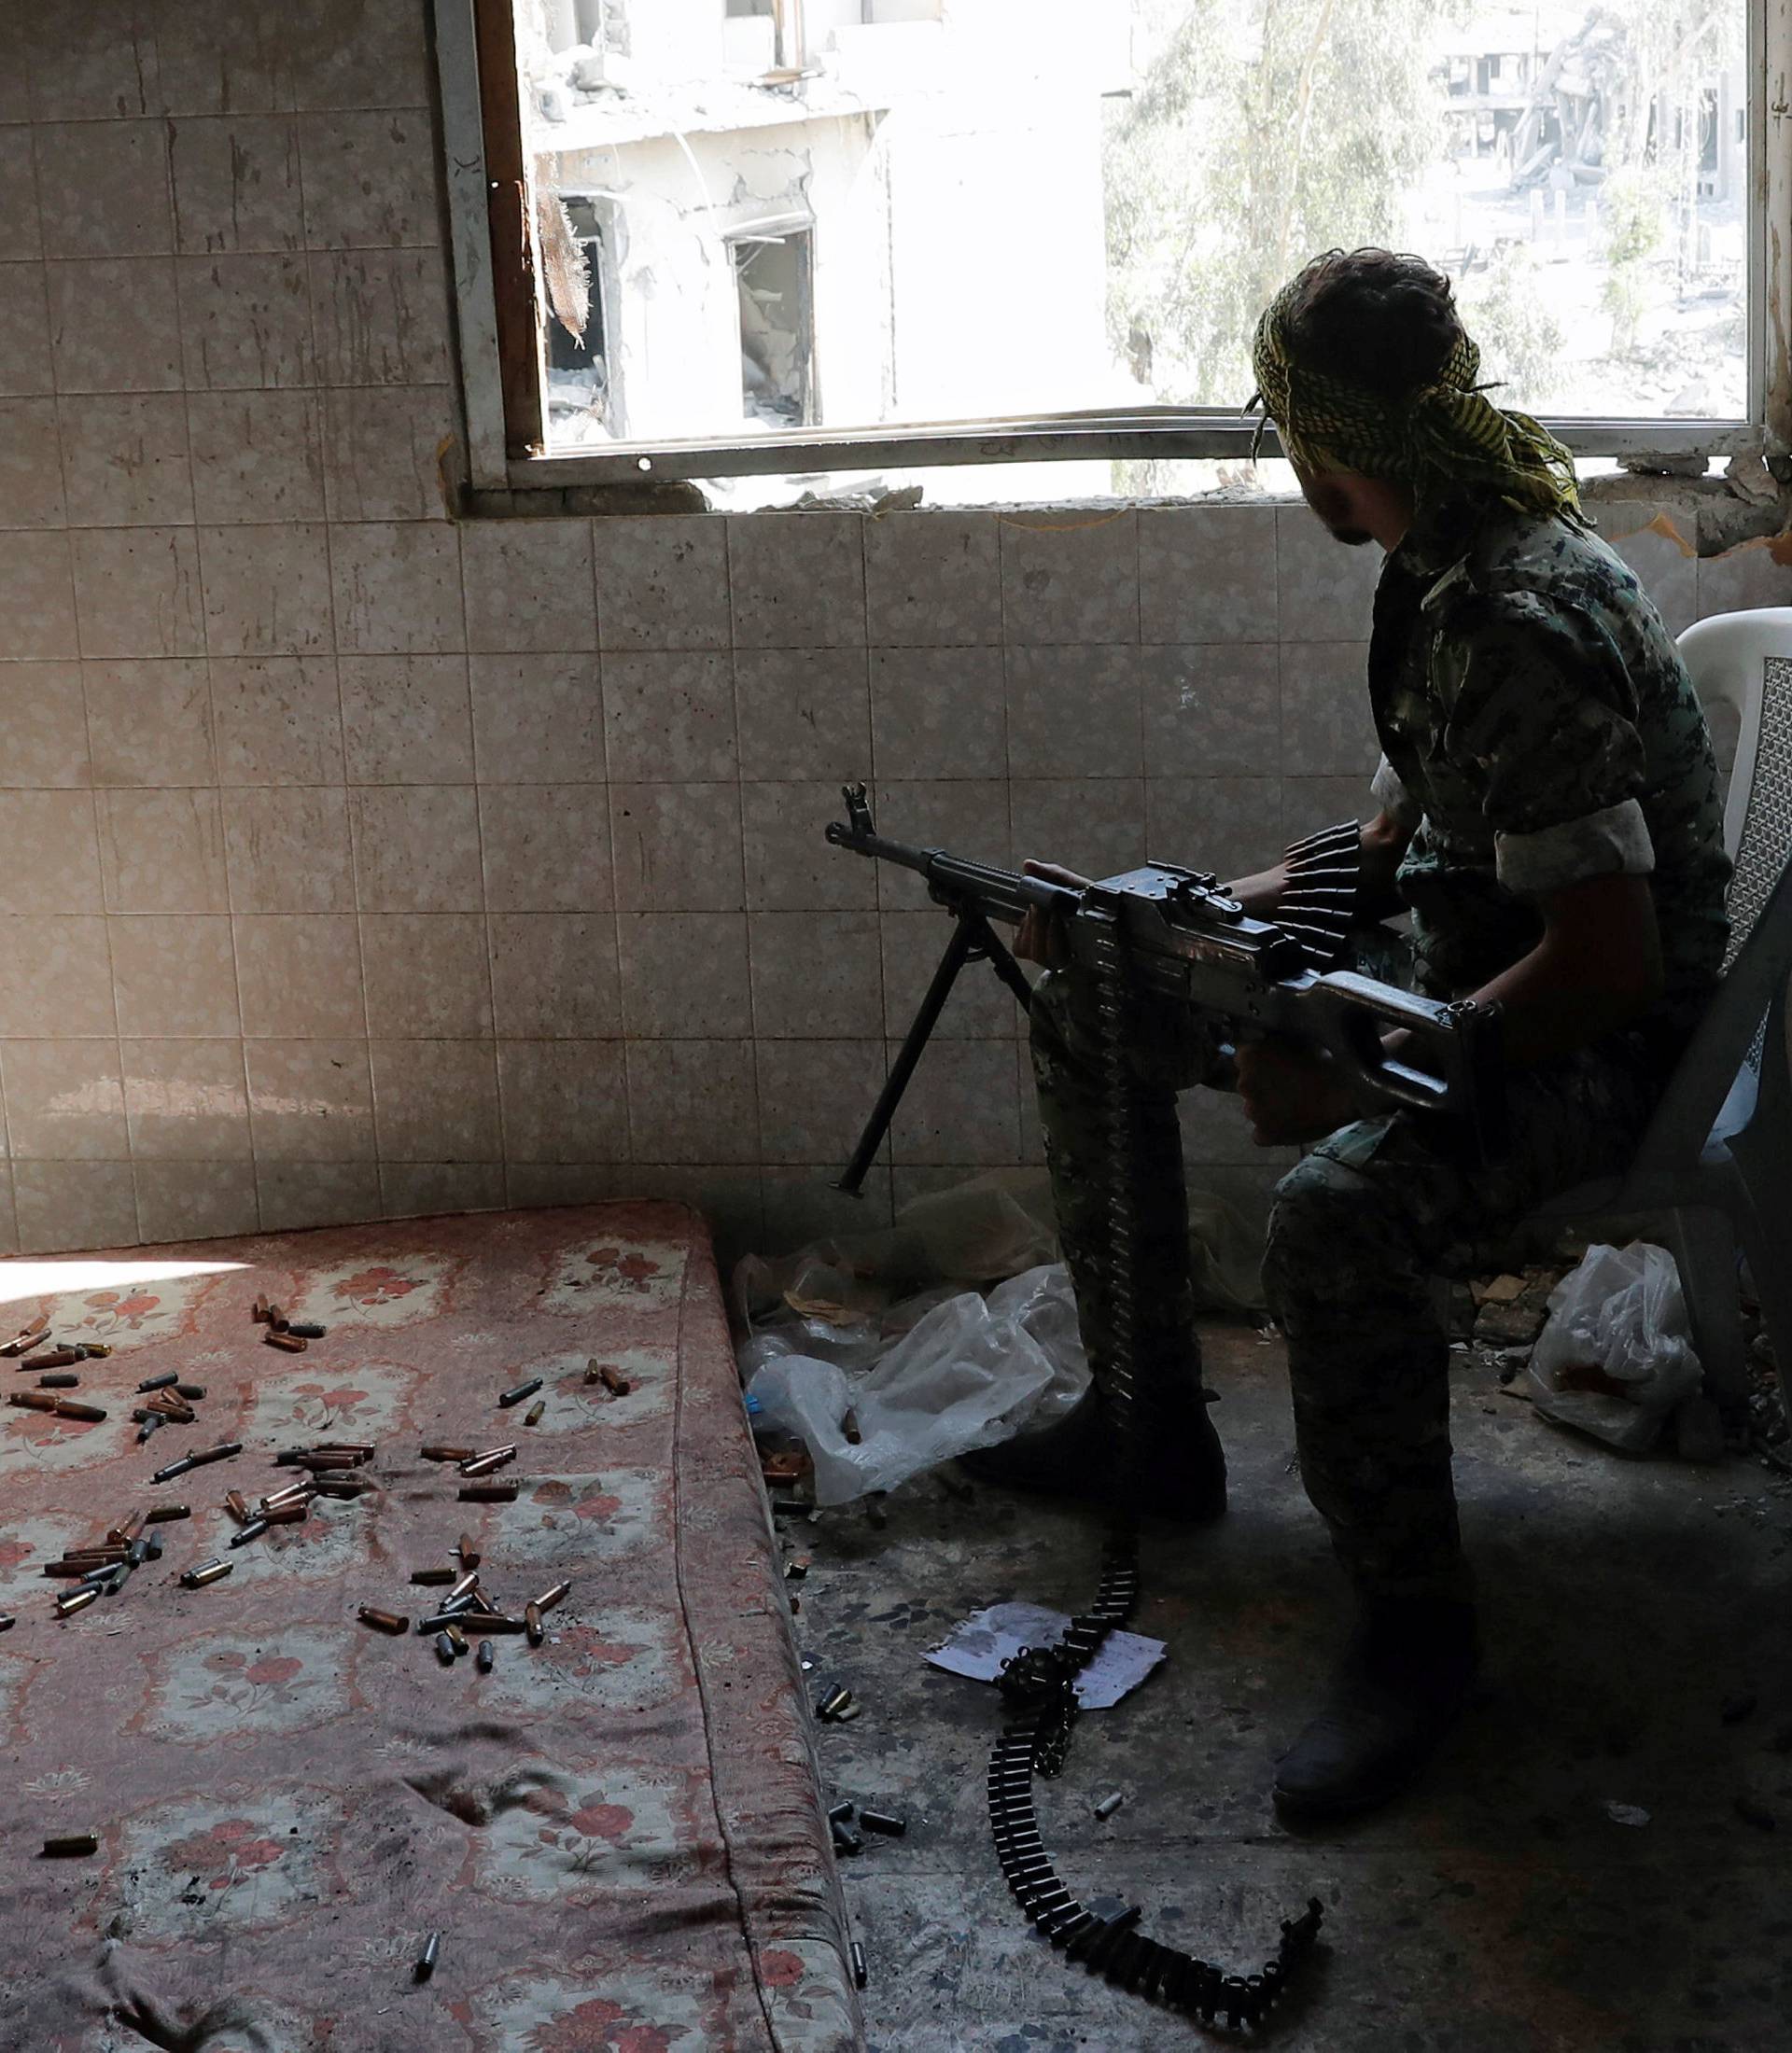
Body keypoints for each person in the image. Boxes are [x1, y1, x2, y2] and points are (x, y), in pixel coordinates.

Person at [974, 246, 1731, 1821]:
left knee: (1336, 1220)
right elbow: (1387, 843)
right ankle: (1146, 1430)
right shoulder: (1445, 559)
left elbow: (1603, 964)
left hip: (1610, 1041)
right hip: (1483, 960)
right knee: (1097, 994)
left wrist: (1352, 1068)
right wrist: (1168, 921)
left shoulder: (1516, 614)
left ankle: (1418, 1640)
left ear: (1322, 440)